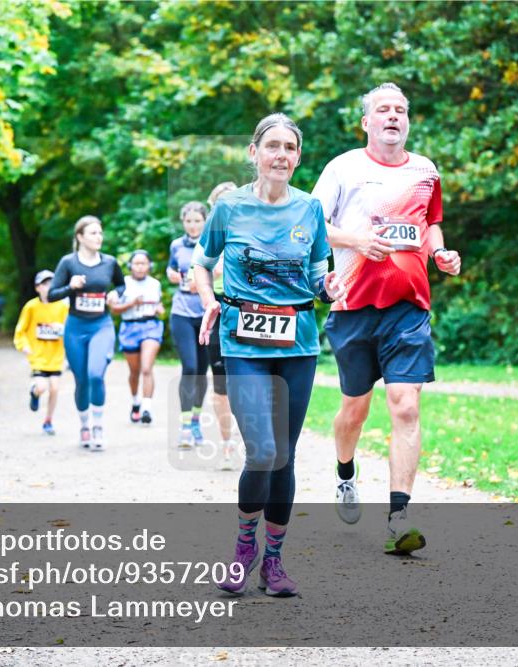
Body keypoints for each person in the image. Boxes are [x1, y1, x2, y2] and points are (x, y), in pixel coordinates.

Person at [192, 113, 344, 597]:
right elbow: (202, 263)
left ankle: (274, 562)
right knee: (261, 451)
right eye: (272, 146)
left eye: (290, 148)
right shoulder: (229, 209)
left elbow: (320, 271)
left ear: (298, 158)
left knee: (284, 456)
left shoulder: (310, 210)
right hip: (244, 341)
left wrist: (327, 285)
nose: (281, 155)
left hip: (298, 343)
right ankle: (243, 548)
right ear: (254, 153)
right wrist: (209, 300)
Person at [310, 82, 462, 555]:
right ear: (367, 122)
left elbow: (429, 222)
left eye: (400, 110)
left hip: (408, 307)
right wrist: (355, 242)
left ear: (408, 121)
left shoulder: (425, 170)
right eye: (383, 109)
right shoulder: (343, 168)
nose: (393, 116)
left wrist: (440, 252)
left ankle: (400, 517)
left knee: (406, 406)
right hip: (353, 305)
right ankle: (345, 471)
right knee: (354, 409)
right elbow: (311, 224)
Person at [48, 216, 126, 451]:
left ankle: (98, 426)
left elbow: (121, 284)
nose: (98, 237)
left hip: (101, 325)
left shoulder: (110, 262)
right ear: (80, 237)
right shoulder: (68, 263)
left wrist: (116, 294)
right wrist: (70, 287)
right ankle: (84, 425)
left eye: (100, 233)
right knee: (81, 380)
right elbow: (51, 294)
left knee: (95, 374)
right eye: (93, 233)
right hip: (75, 327)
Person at [167, 202, 211, 449]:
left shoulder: (212, 243)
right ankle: (184, 426)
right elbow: (172, 269)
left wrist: (206, 278)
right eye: (188, 221)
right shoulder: (176, 245)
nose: (192, 225)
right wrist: (171, 274)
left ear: (204, 221)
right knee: (190, 366)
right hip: (182, 312)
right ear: (183, 222)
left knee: (202, 371)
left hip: (206, 313)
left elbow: (221, 270)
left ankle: (195, 420)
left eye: (197, 221)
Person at [205, 181, 240, 470]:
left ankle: (257, 439)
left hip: (251, 309)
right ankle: (227, 442)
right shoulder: (210, 237)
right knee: (221, 383)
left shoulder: (259, 227)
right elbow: (197, 273)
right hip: (218, 308)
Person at [109, 250, 164, 425]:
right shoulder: (123, 284)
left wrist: (159, 309)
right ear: (130, 266)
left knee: (147, 368)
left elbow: (158, 303)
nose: (140, 267)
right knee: (134, 372)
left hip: (151, 326)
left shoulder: (155, 284)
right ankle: (136, 402)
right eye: (137, 263)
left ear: (149, 266)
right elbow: (114, 310)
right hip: (129, 327)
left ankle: (146, 407)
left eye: (144, 263)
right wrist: (131, 303)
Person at [13, 270, 69, 436]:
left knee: (55, 388)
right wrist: (23, 345)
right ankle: (34, 393)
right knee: (42, 386)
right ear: (37, 288)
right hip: (37, 356)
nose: (49, 287)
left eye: (52, 283)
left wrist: (63, 332)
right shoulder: (31, 307)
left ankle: (48, 420)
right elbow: (20, 330)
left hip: (56, 356)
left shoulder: (63, 307)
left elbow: (70, 330)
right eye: (44, 284)